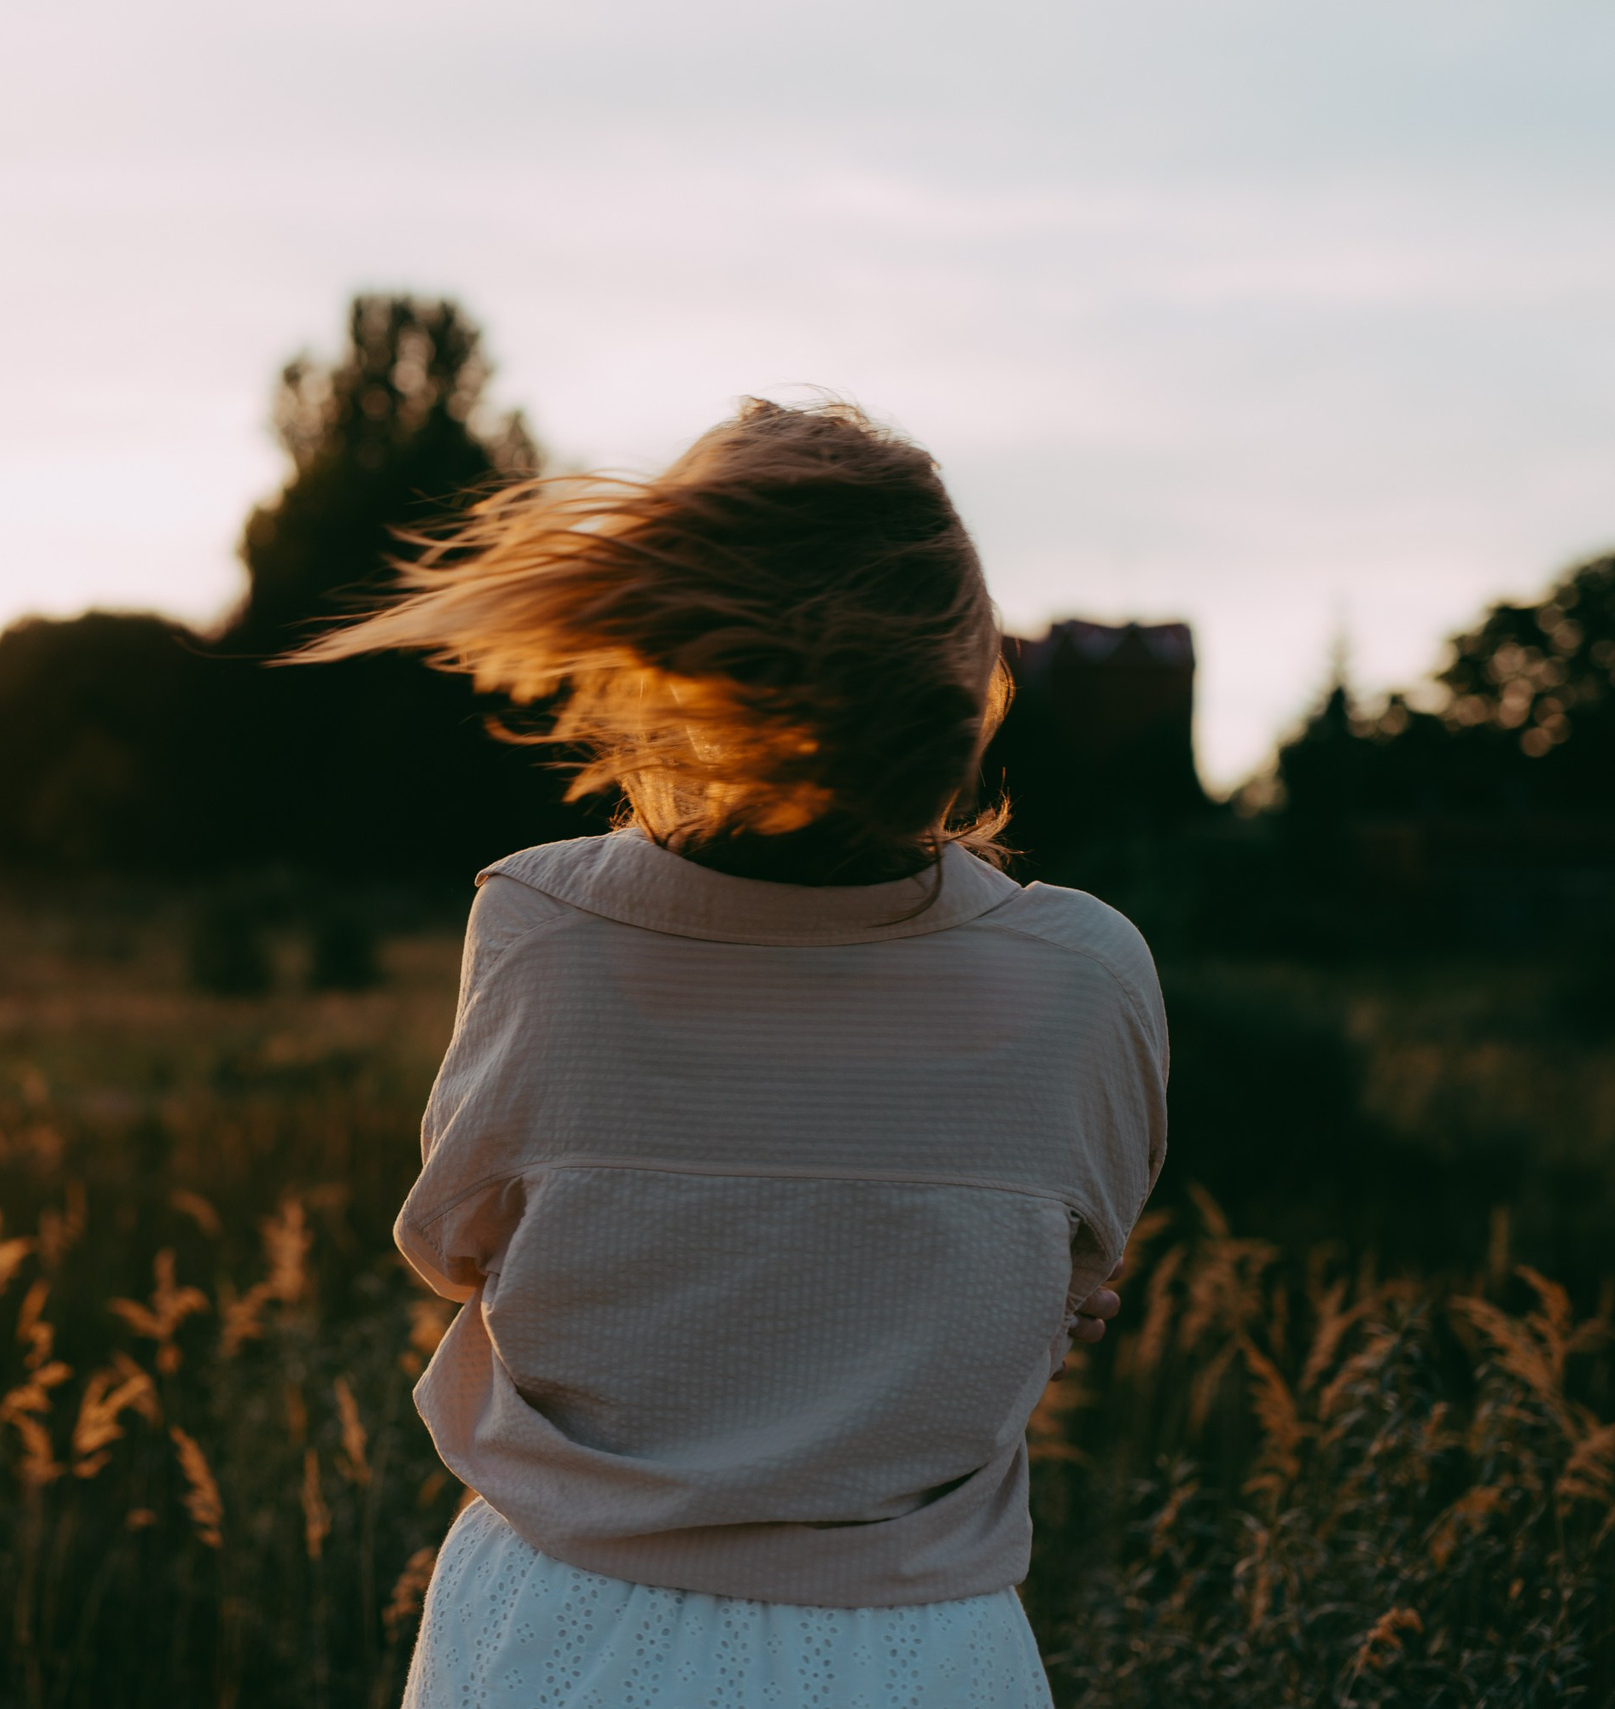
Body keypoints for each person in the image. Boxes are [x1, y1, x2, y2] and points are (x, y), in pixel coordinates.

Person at [295, 399, 1164, 1706]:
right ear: (966, 670)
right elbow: (1068, 1283)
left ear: (676, 664)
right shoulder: (1088, 973)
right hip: (920, 1657)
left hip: (564, 1635)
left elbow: (452, 1245)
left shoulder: (544, 925)